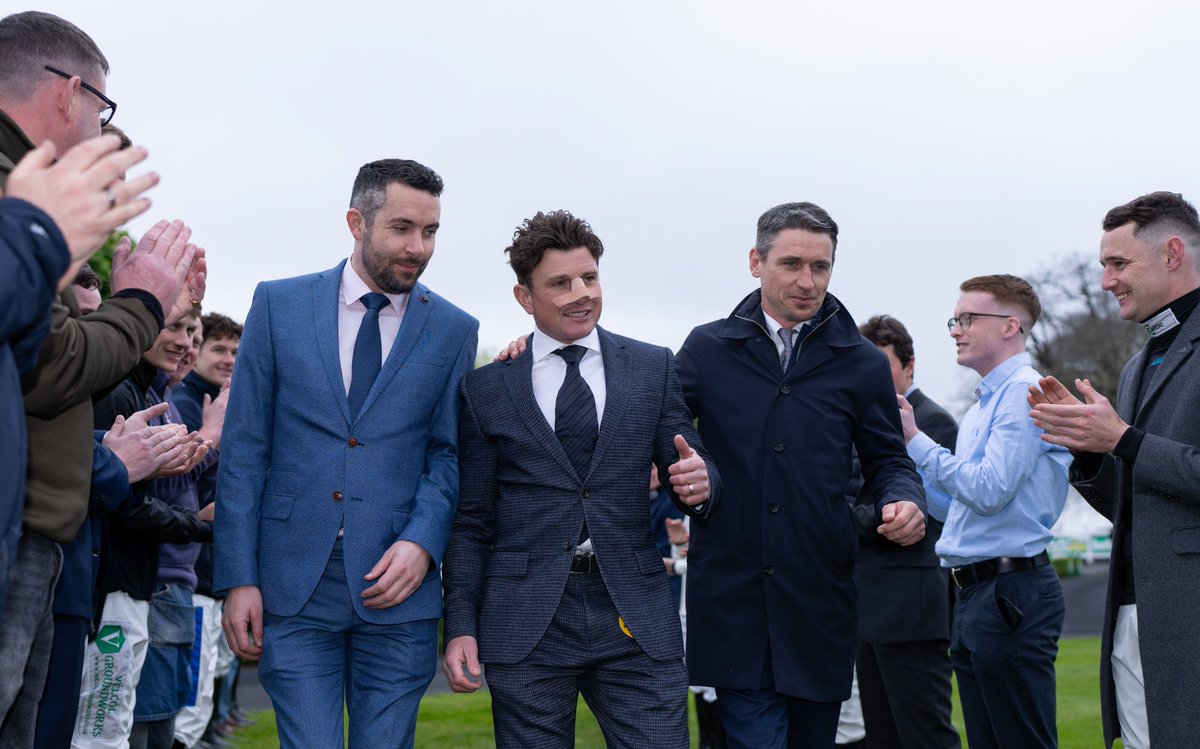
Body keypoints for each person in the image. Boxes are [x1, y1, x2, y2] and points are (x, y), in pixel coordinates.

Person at [215, 158, 478, 748]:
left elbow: (448, 455)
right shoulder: (278, 305)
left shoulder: (457, 330)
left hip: (398, 586)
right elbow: (244, 450)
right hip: (293, 582)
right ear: (357, 222)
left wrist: (423, 541)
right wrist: (238, 576)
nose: (419, 247)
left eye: (431, 231)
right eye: (402, 228)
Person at [442, 209, 719, 748]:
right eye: (560, 283)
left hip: (633, 610)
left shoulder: (652, 367)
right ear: (525, 297)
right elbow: (471, 522)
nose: (580, 293)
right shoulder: (487, 390)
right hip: (526, 620)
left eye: (589, 277)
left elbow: (694, 465)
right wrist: (461, 624)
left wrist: (702, 482)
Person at [675, 202, 926, 748]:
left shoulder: (860, 363)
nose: (807, 281)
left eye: (821, 266)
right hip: (734, 599)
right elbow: (654, 415)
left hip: (819, 601)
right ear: (755, 261)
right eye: (791, 264)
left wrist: (906, 500)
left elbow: (889, 461)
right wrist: (541, 349)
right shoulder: (707, 348)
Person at [1028, 191, 1200, 749]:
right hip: (1130, 616)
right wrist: (1089, 448)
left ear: (1172, 253)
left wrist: (1123, 439)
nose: (1106, 280)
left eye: (1118, 264)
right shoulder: (1134, 365)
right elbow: (1134, 502)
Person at [899, 274, 1070, 749]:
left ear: (1011, 326)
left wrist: (916, 441)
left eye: (969, 318)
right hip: (978, 594)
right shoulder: (982, 406)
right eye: (955, 319)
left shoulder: (1023, 393)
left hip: (1008, 592)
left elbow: (990, 490)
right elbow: (962, 506)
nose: (956, 329)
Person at [851, 314, 960, 749]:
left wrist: (834, 517)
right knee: (882, 737)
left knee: (925, 735)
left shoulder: (934, 424)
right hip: (867, 606)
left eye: (883, 367)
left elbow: (933, 514)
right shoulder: (861, 423)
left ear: (909, 365)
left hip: (913, 609)